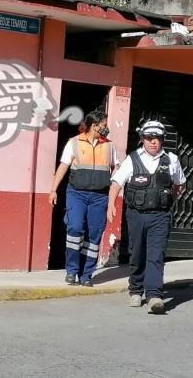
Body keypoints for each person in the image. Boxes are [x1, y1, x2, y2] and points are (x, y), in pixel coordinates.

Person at [107, 120, 186, 314]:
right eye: (149, 138)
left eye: (157, 138)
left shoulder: (172, 160)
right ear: (142, 139)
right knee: (137, 254)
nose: (153, 142)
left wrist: (167, 198)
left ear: (162, 140)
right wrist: (111, 205)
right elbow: (117, 183)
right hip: (135, 215)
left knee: (156, 255)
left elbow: (179, 184)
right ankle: (135, 290)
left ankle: (154, 295)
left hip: (160, 216)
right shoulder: (132, 159)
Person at [49, 110, 120, 287]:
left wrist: (112, 190)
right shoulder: (74, 142)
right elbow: (63, 166)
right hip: (76, 193)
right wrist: (53, 190)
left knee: (94, 234)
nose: (106, 129)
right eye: (103, 126)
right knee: (74, 228)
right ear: (93, 126)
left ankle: (86, 275)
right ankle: (72, 271)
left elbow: (117, 168)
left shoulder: (109, 146)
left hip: (100, 196)